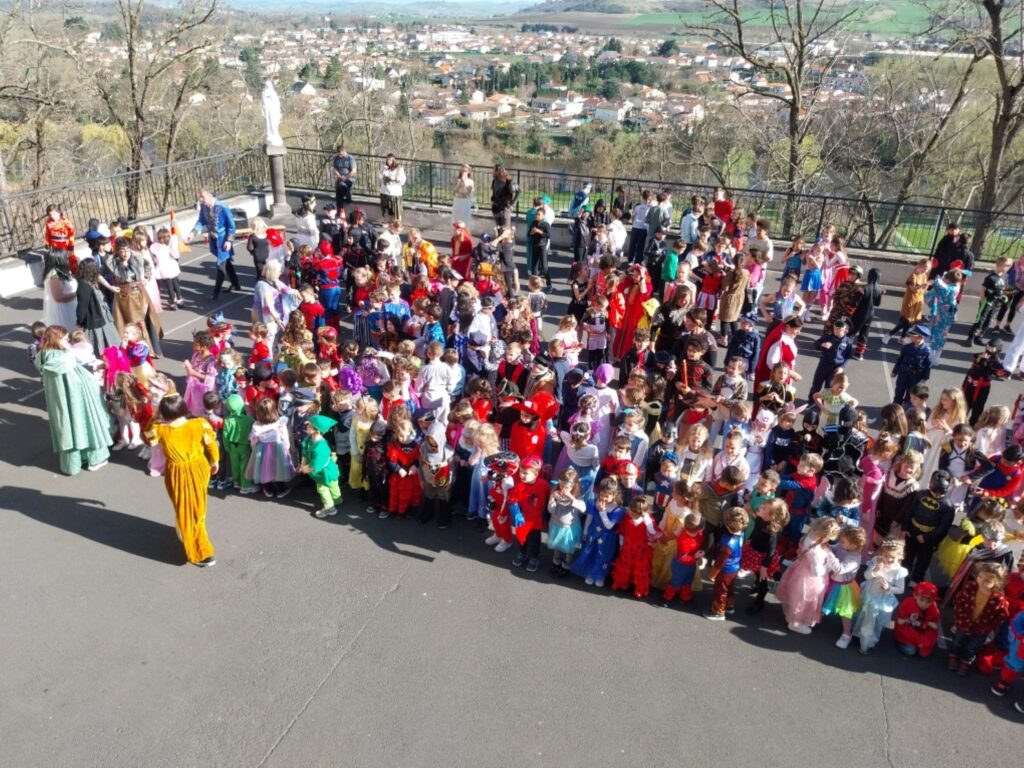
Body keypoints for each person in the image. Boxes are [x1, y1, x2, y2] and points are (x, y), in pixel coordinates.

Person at [149, 394, 219, 566]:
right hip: (199, 468)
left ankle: (199, 549)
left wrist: (154, 416)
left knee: (185, 508)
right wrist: (215, 461)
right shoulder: (200, 423)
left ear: (163, 412)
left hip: (177, 473)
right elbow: (211, 443)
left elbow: (149, 439)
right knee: (198, 507)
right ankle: (190, 536)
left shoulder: (159, 430)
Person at [35, 325, 112, 475]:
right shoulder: (64, 358)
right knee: (86, 425)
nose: (67, 342)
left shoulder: (44, 355)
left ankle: (72, 464)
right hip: (77, 398)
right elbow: (74, 379)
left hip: (60, 402)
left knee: (68, 429)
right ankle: (95, 460)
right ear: (56, 339)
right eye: (64, 339)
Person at [106, 236, 164, 357]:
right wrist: (110, 286)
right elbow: (102, 273)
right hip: (124, 297)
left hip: (140, 293)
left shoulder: (137, 258)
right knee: (131, 324)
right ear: (117, 251)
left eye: (127, 250)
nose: (125, 253)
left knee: (145, 321)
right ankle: (136, 351)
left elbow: (147, 266)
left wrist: (146, 278)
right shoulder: (113, 262)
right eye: (122, 250)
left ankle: (150, 349)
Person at [186, 188, 241, 299]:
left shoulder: (223, 207)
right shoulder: (204, 207)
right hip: (214, 239)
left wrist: (229, 240)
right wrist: (193, 233)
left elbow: (231, 226)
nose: (200, 199)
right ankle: (236, 284)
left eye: (203, 197)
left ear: (210, 196)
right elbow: (201, 220)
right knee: (226, 262)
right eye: (200, 197)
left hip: (223, 240)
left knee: (220, 265)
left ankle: (215, 293)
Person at [301, 414, 343, 518]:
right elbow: (304, 452)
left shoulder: (321, 447)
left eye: (309, 426)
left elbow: (315, 465)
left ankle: (330, 508)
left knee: (323, 489)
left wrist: (305, 469)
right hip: (329, 470)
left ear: (318, 430)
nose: (307, 426)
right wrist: (302, 463)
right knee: (333, 485)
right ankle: (337, 499)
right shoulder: (309, 439)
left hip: (324, 473)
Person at [74, 260, 119, 357]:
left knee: (105, 343)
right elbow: (82, 307)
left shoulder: (90, 282)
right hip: (95, 320)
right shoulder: (85, 287)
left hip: (102, 317)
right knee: (101, 344)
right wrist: (80, 321)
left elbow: (99, 277)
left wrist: (109, 286)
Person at [42, 249, 78, 331]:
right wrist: (77, 294)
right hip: (63, 312)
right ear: (59, 259)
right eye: (65, 257)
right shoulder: (54, 276)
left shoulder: (61, 272)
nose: (67, 259)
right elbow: (58, 297)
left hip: (70, 307)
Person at [379, 154, 406, 221]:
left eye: (390, 160)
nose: (389, 161)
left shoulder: (399, 169)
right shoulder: (384, 168)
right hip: (385, 192)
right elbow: (380, 177)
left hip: (395, 193)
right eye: (387, 160)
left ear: (394, 160)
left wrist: (394, 179)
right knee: (388, 211)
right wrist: (383, 171)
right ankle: (389, 223)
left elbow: (402, 181)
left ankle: (397, 224)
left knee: (397, 212)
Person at [332, 144, 357, 209]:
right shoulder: (336, 158)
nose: (339, 156)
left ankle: (347, 199)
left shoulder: (350, 158)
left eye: (341, 154)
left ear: (344, 151)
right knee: (339, 187)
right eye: (338, 154)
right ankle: (339, 206)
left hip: (349, 178)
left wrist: (346, 177)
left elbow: (354, 171)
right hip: (340, 178)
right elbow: (334, 169)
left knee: (342, 186)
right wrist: (339, 175)